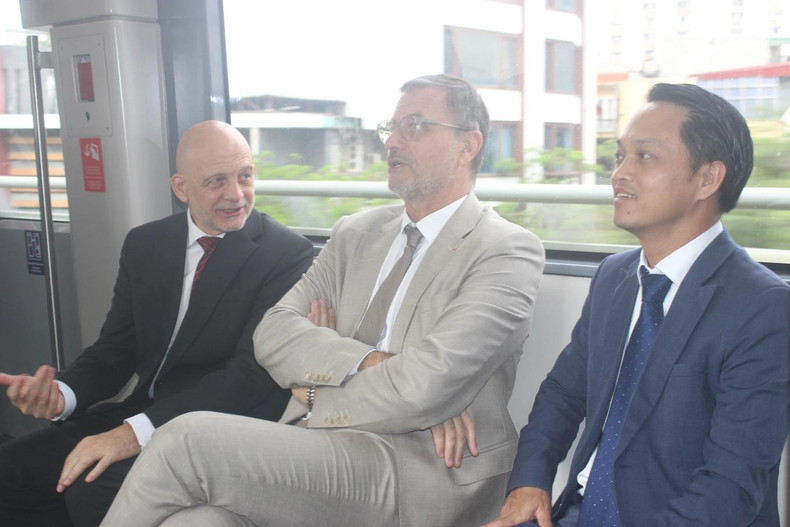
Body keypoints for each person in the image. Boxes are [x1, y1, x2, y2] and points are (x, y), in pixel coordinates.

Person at [101, 74, 546, 526]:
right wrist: (373, 361)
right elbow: (272, 333)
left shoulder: (505, 250)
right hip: (318, 446)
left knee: (184, 441)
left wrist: (315, 392)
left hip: (419, 468)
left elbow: (424, 388)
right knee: (195, 523)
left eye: (414, 126)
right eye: (390, 127)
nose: (391, 141)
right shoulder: (356, 233)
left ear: (467, 145)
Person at [485, 83, 790, 527]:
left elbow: (729, 488)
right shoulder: (616, 276)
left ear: (708, 178)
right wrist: (530, 481)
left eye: (644, 156)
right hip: (579, 510)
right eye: (619, 156)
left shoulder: (763, 308)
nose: (619, 173)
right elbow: (564, 393)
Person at [0, 120, 314, 527]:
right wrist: (63, 393)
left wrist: (134, 433)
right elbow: (117, 348)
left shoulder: (286, 254)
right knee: (11, 471)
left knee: (90, 487)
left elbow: (249, 376)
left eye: (245, 176)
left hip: (215, 425)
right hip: (139, 411)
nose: (237, 195)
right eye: (217, 181)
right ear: (181, 188)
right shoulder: (146, 244)